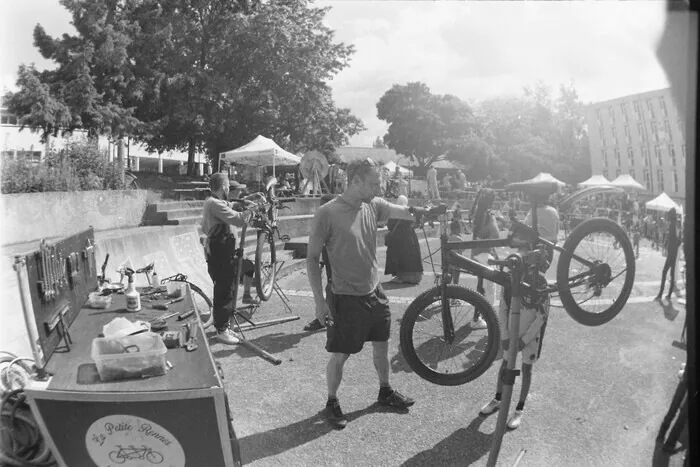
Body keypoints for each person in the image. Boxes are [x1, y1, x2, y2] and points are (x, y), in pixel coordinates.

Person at [307, 158, 425, 429]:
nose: (378, 188)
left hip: (375, 292)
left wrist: (424, 211)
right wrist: (319, 302)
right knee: (341, 354)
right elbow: (312, 259)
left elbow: (403, 211)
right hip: (345, 297)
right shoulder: (327, 213)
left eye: (379, 183)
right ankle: (331, 402)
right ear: (356, 181)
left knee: (382, 346)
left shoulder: (373, 204)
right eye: (373, 183)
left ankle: (385, 391)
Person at [480, 191, 559, 430]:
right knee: (505, 366)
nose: (526, 258)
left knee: (526, 369)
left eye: (529, 255)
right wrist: (505, 335)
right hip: (512, 333)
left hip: (529, 338)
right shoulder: (511, 276)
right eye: (524, 254)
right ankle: (497, 398)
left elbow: (542, 316)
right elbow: (503, 306)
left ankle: (519, 408)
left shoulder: (541, 282)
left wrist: (524, 340)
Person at [201, 174, 260, 345]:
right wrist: (254, 209)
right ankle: (222, 330)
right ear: (224, 187)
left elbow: (231, 204)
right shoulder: (214, 204)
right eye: (227, 186)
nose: (228, 189)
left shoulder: (213, 201)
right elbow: (239, 219)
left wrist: (247, 200)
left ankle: (222, 324)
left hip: (221, 251)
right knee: (224, 290)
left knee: (226, 288)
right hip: (220, 252)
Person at [464, 188, 501, 329]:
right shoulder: (488, 214)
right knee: (489, 288)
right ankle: (487, 318)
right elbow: (495, 234)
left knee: (480, 287)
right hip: (485, 254)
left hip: (476, 253)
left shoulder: (477, 212)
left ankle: (476, 317)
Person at [384, 195, 423, 284]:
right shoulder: (410, 211)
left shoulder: (394, 211)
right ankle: (413, 277)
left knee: (398, 257)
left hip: (397, 238)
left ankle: (400, 277)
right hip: (410, 238)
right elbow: (417, 222)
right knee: (411, 257)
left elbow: (390, 225)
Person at [655, 208, 682, 301]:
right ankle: (669, 294)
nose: (668, 216)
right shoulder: (675, 224)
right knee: (671, 274)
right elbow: (677, 239)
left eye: (669, 215)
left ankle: (660, 294)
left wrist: (670, 249)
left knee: (664, 272)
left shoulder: (673, 224)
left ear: (671, 215)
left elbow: (675, 238)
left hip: (672, 254)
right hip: (673, 253)